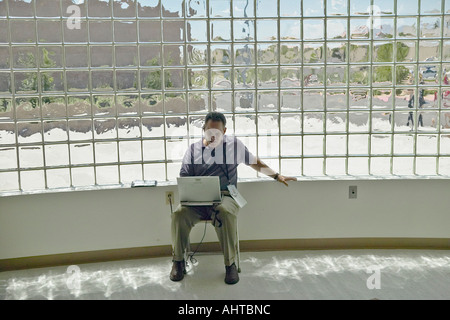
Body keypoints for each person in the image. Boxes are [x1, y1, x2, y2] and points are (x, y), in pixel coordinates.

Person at [170, 111, 297, 284]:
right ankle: (178, 262)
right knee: (179, 213)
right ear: (203, 130)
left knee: (224, 212)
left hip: (225, 196)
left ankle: (230, 265)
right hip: (197, 201)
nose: (213, 135)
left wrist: (276, 176)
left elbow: (254, 162)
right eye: (209, 132)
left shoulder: (234, 146)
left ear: (225, 131)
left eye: (218, 132)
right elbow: (184, 176)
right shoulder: (193, 150)